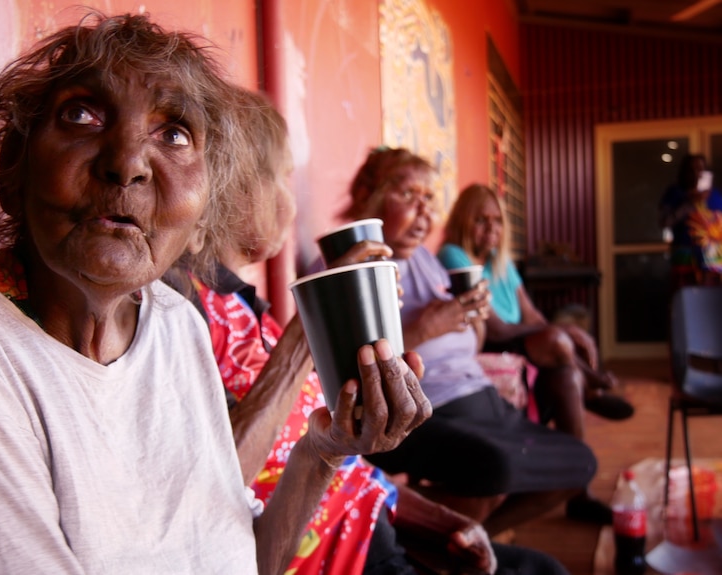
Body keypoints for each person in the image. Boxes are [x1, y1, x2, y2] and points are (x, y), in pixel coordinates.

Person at [0, 14, 432, 574]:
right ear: (15, 169)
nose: (127, 163)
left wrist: (324, 449)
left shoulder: (175, 322)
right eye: (81, 115)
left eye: (174, 133)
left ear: (206, 201)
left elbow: (239, 559)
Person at [167, 90, 570, 574]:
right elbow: (222, 486)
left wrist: (439, 522)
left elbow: (339, 459)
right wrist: (309, 330)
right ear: (229, 185)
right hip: (336, 554)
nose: (292, 200)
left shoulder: (245, 308)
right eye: (282, 177)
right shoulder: (183, 312)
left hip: (372, 521)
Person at [339, 147, 599, 537]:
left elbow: (467, 340)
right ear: (368, 197)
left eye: (427, 199)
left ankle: (465, 544)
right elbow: (347, 369)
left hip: (477, 395)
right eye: (409, 196)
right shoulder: (350, 265)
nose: (423, 213)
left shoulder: (425, 259)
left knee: (578, 463)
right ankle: (424, 538)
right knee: (496, 469)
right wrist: (426, 328)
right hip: (419, 412)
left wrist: (472, 319)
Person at [438, 182, 633, 523]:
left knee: (565, 370)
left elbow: (532, 316)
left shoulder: (501, 262)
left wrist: (559, 330)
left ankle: (580, 493)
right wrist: (559, 334)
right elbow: (495, 328)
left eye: (497, 221)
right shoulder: (454, 255)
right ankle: (594, 386)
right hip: (491, 341)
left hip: (518, 340)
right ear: (463, 221)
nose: (491, 228)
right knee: (557, 342)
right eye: (481, 220)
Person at [658, 153, 722, 290]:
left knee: (711, 304)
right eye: (691, 170)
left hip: (713, 259)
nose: (696, 174)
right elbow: (664, 222)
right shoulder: (675, 193)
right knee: (687, 302)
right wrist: (689, 203)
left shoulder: (715, 196)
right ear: (684, 173)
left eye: (700, 169)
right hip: (685, 257)